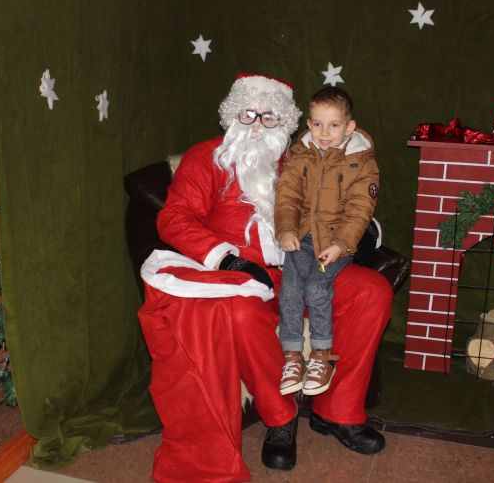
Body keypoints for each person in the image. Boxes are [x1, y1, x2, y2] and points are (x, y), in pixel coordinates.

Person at [138, 73, 392, 482]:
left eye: (269, 117)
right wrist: (226, 260)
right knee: (240, 316)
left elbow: (347, 204)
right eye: (248, 114)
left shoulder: (303, 158)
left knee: (371, 291)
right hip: (240, 279)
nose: (257, 125)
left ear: (287, 123)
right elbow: (175, 218)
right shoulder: (207, 159)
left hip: (303, 267)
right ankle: (280, 417)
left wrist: (356, 240)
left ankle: (337, 412)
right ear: (231, 115)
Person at [274, 86, 379, 398]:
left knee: (317, 288)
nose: (324, 132)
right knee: (290, 290)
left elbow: (360, 210)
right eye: (317, 124)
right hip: (303, 236)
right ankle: (292, 357)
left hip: (336, 241)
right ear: (308, 124)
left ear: (349, 127)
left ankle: (321, 356)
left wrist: (341, 245)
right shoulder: (300, 154)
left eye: (334, 125)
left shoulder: (361, 161)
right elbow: (287, 196)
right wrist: (286, 230)